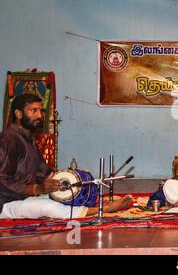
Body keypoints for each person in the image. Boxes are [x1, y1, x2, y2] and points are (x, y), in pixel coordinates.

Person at [0, 94, 131, 219]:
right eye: (33, 110)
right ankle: (103, 209)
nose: (40, 115)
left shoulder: (28, 138)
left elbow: (42, 171)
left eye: (41, 111)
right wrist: (36, 189)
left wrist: (64, 180)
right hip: (6, 202)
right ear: (18, 114)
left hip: (25, 196)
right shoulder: (9, 139)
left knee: (69, 195)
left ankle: (84, 206)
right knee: (47, 207)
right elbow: (2, 180)